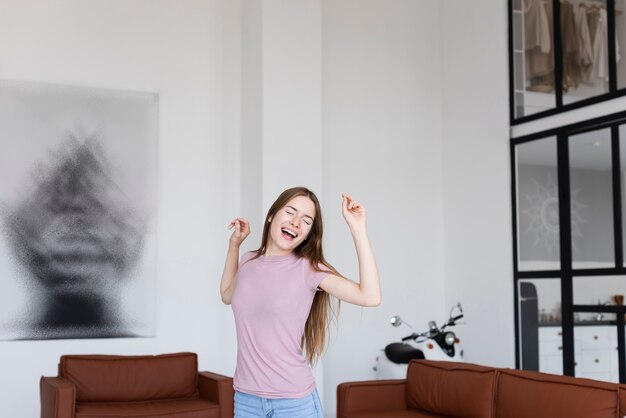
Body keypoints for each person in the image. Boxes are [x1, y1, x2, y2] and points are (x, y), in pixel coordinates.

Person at [220, 186, 381, 418]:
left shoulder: (309, 269)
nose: (296, 222)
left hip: (293, 404)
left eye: (306, 220)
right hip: (246, 400)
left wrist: (357, 228)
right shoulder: (248, 262)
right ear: (271, 216)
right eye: (290, 212)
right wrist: (234, 245)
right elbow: (226, 295)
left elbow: (370, 296)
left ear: (308, 234)